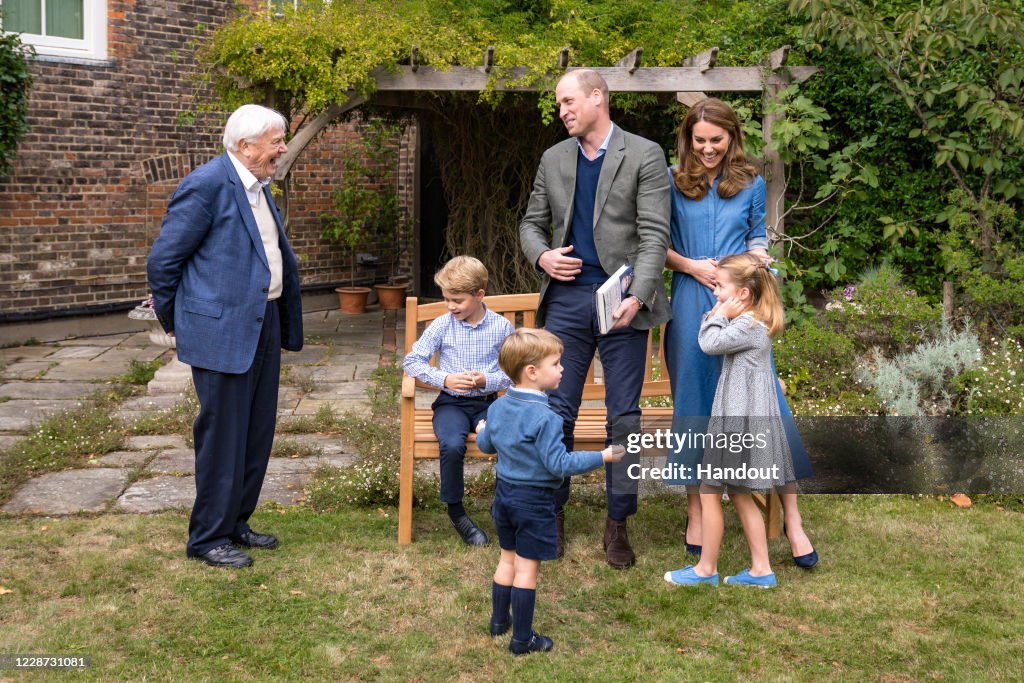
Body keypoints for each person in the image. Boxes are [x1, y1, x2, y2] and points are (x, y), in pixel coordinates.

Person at [519, 68, 671, 569]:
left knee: (624, 417)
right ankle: (553, 515)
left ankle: (618, 523)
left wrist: (641, 295)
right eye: (559, 104)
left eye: (568, 101)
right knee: (555, 414)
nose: (561, 111)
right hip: (565, 302)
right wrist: (542, 256)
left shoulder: (644, 154)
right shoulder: (553, 158)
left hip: (623, 303)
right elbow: (529, 223)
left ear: (597, 98)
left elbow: (654, 236)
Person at [147, 104, 303, 568]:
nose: (282, 148)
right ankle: (207, 539)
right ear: (245, 146)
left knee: (256, 431)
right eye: (275, 141)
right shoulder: (207, 183)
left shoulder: (258, 187)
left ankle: (236, 522)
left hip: (263, 322)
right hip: (221, 331)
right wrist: (177, 322)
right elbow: (164, 261)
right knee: (222, 436)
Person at [663, 97, 817, 568]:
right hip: (692, 300)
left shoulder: (749, 182)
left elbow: (757, 235)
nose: (708, 149)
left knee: (766, 401)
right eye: (700, 140)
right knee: (694, 400)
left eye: (717, 140)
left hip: (742, 302)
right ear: (689, 138)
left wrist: (755, 260)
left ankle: (792, 519)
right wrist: (693, 267)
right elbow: (656, 243)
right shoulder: (671, 180)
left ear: (732, 138)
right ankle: (696, 509)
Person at [476, 328, 625, 655]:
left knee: (506, 559)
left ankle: (499, 623)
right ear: (532, 372)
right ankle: (522, 640)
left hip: (504, 496)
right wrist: (602, 456)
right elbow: (559, 464)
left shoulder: (499, 407)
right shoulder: (547, 418)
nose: (562, 370)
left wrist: (480, 429)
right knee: (526, 570)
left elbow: (486, 444)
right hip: (534, 502)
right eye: (556, 364)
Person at [665, 254, 797, 588]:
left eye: (722, 287)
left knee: (710, 492)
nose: (716, 294)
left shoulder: (747, 326)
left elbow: (708, 343)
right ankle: (761, 569)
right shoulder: (753, 323)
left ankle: (705, 570)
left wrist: (717, 314)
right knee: (738, 494)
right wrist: (723, 310)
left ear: (744, 294)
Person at [402, 255, 514, 545]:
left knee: (505, 440)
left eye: (457, 300)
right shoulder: (442, 325)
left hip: (489, 404)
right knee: (451, 445)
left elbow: (514, 372)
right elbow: (412, 361)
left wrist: (486, 380)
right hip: (451, 404)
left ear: (479, 295)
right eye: (446, 299)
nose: (451, 306)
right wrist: (444, 379)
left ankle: (502, 507)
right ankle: (456, 512)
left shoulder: (501, 328)